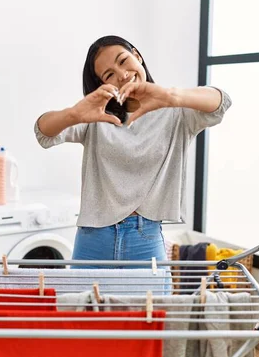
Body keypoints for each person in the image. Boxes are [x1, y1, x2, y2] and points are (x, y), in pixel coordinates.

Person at [34, 35, 232, 269]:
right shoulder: (97, 116)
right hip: (92, 239)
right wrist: (74, 114)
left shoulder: (177, 113)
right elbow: (43, 133)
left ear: (137, 55)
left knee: (149, 307)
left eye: (123, 60)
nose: (122, 74)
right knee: (80, 306)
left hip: (145, 239)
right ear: (102, 84)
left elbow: (221, 102)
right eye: (109, 75)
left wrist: (170, 96)